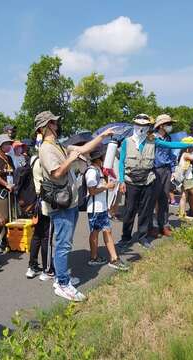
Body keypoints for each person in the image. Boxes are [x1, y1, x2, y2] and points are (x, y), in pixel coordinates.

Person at [36, 110, 115, 301]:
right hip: (61, 204)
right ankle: (63, 284)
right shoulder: (46, 149)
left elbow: (84, 149)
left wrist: (102, 136)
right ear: (46, 126)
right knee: (63, 244)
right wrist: (71, 159)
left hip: (70, 202)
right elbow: (56, 173)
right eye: (54, 123)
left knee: (65, 242)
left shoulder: (59, 145)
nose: (57, 125)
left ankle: (61, 278)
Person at [117, 114, 193, 249]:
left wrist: (191, 144)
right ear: (134, 126)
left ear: (148, 127)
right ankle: (125, 238)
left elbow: (171, 145)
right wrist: (121, 180)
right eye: (139, 125)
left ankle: (142, 237)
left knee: (145, 210)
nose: (141, 128)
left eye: (144, 126)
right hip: (131, 181)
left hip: (147, 180)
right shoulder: (127, 141)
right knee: (130, 210)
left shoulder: (153, 140)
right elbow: (121, 162)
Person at [86, 146, 129, 271]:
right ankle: (99, 258)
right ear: (99, 158)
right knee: (97, 232)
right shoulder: (92, 172)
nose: (106, 158)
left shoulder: (99, 170)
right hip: (95, 208)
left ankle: (108, 258)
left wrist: (107, 184)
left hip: (101, 207)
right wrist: (106, 186)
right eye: (104, 156)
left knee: (104, 231)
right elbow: (92, 191)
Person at [26, 150, 55, 281]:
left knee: (37, 236)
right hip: (46, 205)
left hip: (37, 203)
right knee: (46, 238)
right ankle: (47, 269)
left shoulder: (33, 160)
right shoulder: (43, 162)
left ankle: (32, 267)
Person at [150, 114, 178, 237]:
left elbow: (171, 154)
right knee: (153, 199)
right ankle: (153, 226)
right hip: (155, 170)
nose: (170, 126)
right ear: (161, 125)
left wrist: (173, 170)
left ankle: (164, 225)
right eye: (168, 124)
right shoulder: (153, 138)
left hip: (166, 170)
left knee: (164, 199)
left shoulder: (169, 138)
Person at [176, 137, 193, 223]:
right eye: (192, 146)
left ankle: (182, 214)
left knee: (184, 196)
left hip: (183, 178)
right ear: (188, 146)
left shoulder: (183, 154)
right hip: (187, 178)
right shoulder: (186, 154)